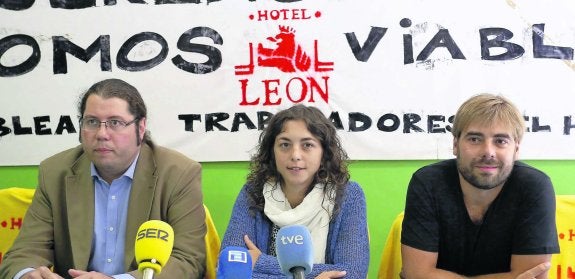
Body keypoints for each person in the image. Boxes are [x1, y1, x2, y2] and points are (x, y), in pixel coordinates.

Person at [0, 79, 206, 279]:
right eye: (92, 122)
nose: (102, 134)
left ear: (141, 127)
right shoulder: (55, 172)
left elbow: (188, 261)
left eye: (115, 122)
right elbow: (24, 251)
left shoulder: (179, 173)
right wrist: (27, 274)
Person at [400, 93, 560, 279]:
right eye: (475, 139)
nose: (488, 152)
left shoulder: (535, 186)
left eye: (500, 141)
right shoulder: (428, 182)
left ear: (516, 149)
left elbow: (534, 276)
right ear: (455, 144)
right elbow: (416, 274)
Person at [220, 104, 369, 278]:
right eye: (284, 145)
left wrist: (260, 262)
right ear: (272, 151)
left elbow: (351, 273)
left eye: (307, 145)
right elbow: (230, 268)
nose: (295, 155)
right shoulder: (253, 192)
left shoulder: (348, 195)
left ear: (324, 152)